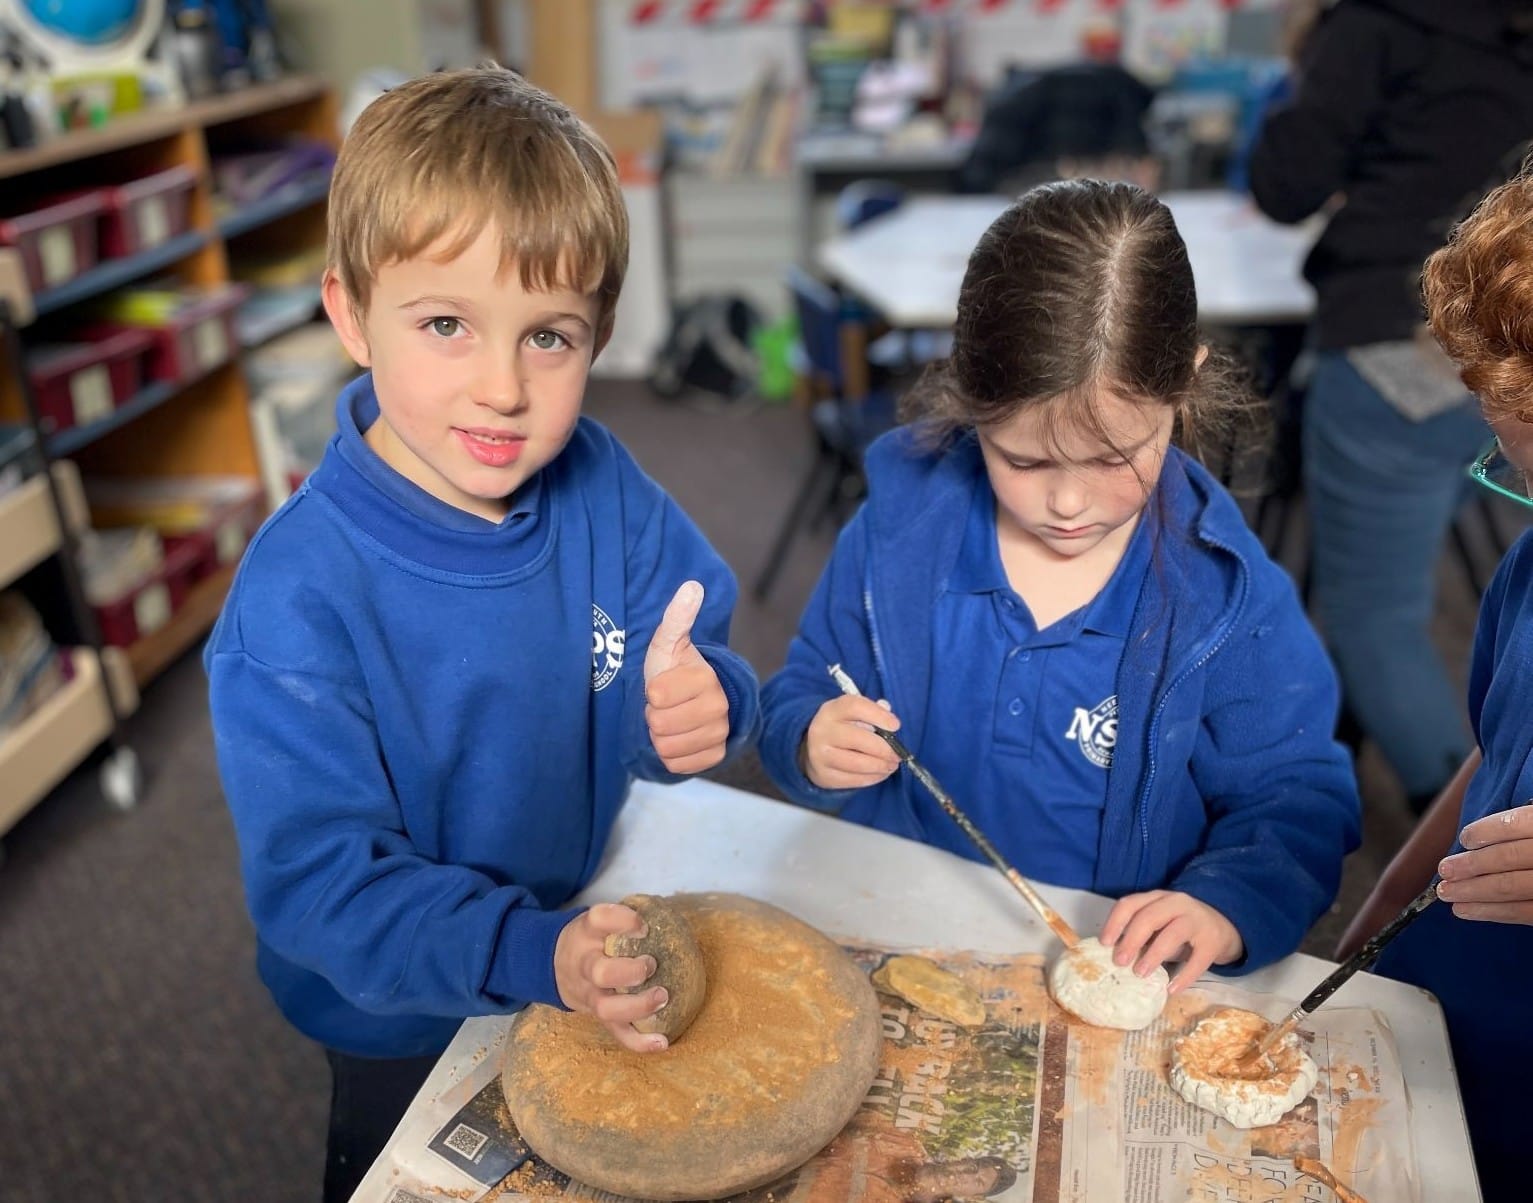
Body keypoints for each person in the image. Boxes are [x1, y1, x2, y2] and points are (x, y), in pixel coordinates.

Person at [204, 67, 760, 1202]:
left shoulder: (600, 478)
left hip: (577, 929)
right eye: (446, 325)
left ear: (599, 337)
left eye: (548, 336)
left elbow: (693, 646)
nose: (502, 388)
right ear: (351, 315)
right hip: (397, 1008)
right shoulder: (296, 598)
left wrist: (710, 703)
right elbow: (324, 888)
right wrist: (530, 954)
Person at [759, 180, 1360, 994]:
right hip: (895, 920)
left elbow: (1297, 796)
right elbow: (806, 681)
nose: (1068, 502)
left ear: (1183, 384)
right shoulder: (900, 529)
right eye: (1023, 459)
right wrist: (807, 738)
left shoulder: (1226, 597)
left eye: (1114, 457)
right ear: (970, 396)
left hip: (1106, 962)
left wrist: (1224, 904)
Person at [1247, 0, 1533, 814]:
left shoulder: (1376, 21)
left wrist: (1308, 60)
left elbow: (1284, 181)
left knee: (1374, 621)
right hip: (1503, 335)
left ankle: (1479, 838)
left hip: (1399, 342)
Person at [1341, 169, 1533, 1202]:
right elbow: (1497, 750)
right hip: (1447, 1027)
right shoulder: (1526, 573)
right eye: (1521, 470)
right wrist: (1385, 903)